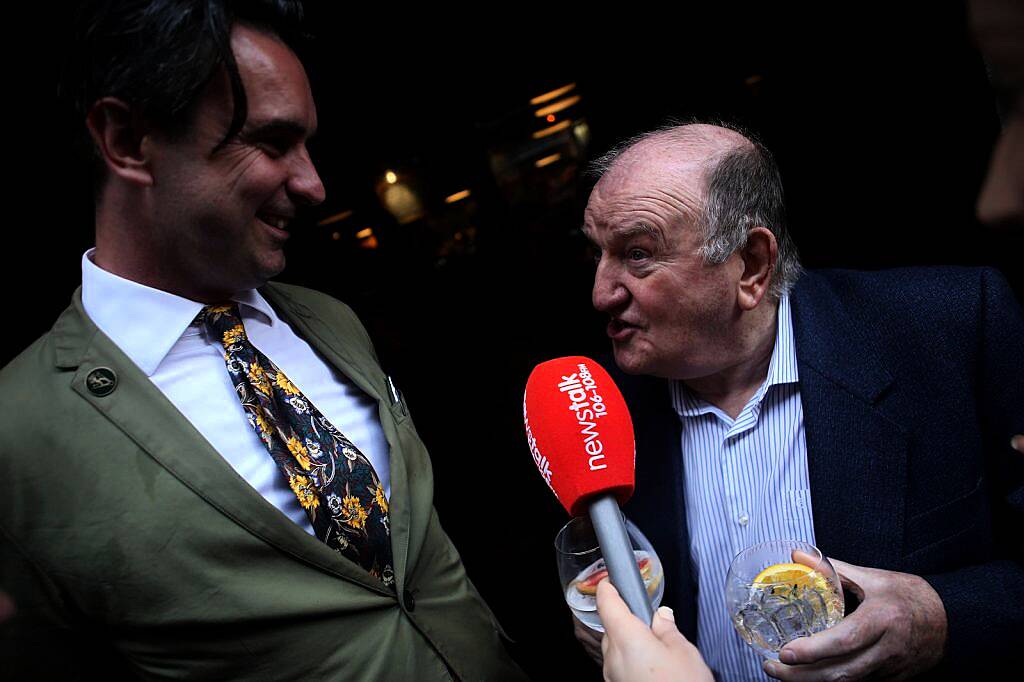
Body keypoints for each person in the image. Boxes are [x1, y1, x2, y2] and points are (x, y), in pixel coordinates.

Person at [0, 2, 525, 679]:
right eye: (273, 144)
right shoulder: (18, 430)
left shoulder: (328, 319)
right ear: (127, 140)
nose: (313, 185)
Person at [577, 122, 1024, 681]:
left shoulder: (950, 330)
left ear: (752, 266)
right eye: (598, 253)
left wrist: (943, 616)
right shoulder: (596, 416)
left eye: (638, 254)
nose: (601, 293)